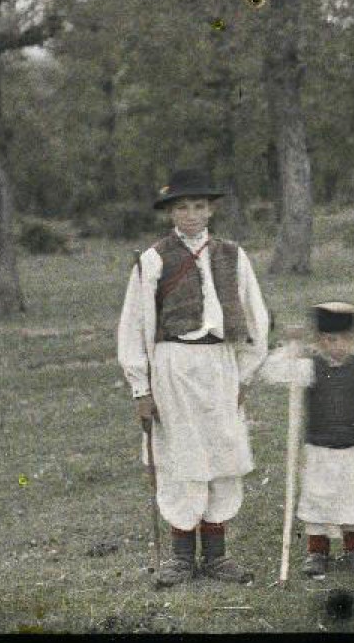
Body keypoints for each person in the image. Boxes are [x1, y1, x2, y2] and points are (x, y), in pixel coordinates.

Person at [117, 168, 270, 586]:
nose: (191, 215)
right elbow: (135, 326)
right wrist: (140, 388)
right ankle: (182, 555)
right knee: (179, 453)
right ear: (170, 212)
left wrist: (244, 375)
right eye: (182, 207)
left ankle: (217, 555)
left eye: (199, 206)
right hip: (173, 363)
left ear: (211, 209)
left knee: (223, 450)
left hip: (219, 362)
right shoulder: (152, 259)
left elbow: (255, 316)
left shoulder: (232, 256)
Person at [261, 302, 354, 579]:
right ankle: (317, 553)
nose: (336, 346)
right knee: (318, 498)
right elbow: (273, 373)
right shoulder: (310, 368)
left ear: (353, 341)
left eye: (343, 340)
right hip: (319, 449)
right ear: (318, 341)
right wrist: (291, 349)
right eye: (328, 340)